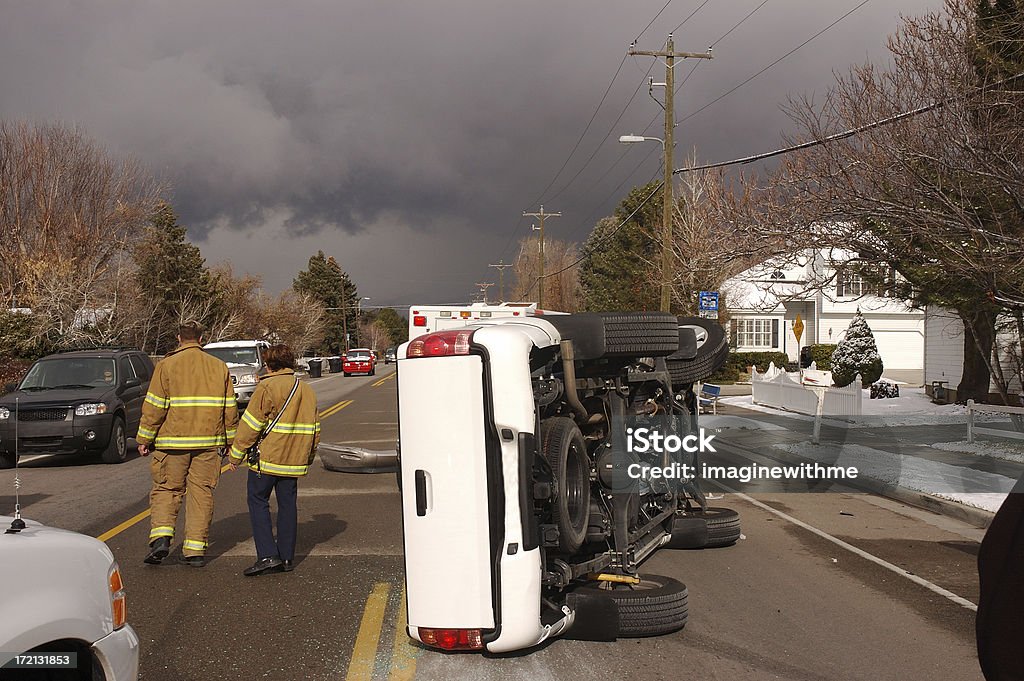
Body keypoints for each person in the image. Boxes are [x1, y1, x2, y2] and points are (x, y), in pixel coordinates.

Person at [137, 322, 239, 567]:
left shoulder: (166, 366)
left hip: (172, 444)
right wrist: (230, 441)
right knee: (201, 493)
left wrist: (144, 439)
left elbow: (154, 407)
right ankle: (194, 550)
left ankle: (161, 539)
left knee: (166, 490)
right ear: (202, 338)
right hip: (208, 444)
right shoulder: (218, 367)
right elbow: (230, 410)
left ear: (178, 338)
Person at [229, 344, 320, 576]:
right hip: (294, 459)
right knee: (288, 505)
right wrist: (308, 457)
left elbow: (251, 424)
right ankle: (287, 557)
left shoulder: (266, 387)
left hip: (268, 458)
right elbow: (315, 429)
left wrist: (235, 455)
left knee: (258, 501)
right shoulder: (306, 390)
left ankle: (268, 555)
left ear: (269, 365)